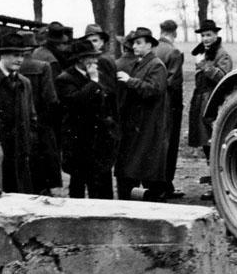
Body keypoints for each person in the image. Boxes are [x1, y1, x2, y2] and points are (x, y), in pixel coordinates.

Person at [55, 38, 119, 199]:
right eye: (91, 57)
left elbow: (110, 101)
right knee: (78, 187)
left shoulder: (100, 76)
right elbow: (76, 102)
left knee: (103, 190)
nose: (95, 61)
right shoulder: (65, 79)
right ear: (80, 59)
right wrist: (93, 82)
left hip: (100, 144)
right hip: (79, 145)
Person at [114, 27, 168, 201]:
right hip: (138, 122)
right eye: (134, 43)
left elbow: (154, 90)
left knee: (146, 166)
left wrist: (130, 81)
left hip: (148, 123)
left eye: (139, 43)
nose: (135, 46)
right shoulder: (142, 63)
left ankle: (153, 200)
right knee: (138, 164)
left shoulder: (156, 65)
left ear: (149, 45)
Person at [187, 19, 233, 200]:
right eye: (203, 35)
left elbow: (223, 77)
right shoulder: (203, 53)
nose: (205, 39)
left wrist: (204, 66)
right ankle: (215, 185)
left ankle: (219, 187)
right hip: (201, 101)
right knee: (207, 145)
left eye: (208, 35)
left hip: (213, 103)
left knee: (215, 144)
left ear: (216, 35)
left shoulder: (222, 54)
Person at [0, 32, 37, 193]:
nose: (20, 59)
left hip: (20, 153)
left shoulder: (24, 83)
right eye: (15, 55)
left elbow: (32, 116)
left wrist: (29, 140)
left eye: (22, 55)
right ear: (2, 55)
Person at [18, 32, 63, 195]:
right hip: (42, 123)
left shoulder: (14, 68)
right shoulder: (43, 66)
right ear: (33, 47)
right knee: (45, 165)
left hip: (21, 122)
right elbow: (50, 98)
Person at [153, 19, 185, 199]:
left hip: (153, 105)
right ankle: (167, 185)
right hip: (170, 106)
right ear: (175, 33)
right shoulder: (174, 52)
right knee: (170, 145)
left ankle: (157, 183)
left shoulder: (153, 49)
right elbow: (174, 83)